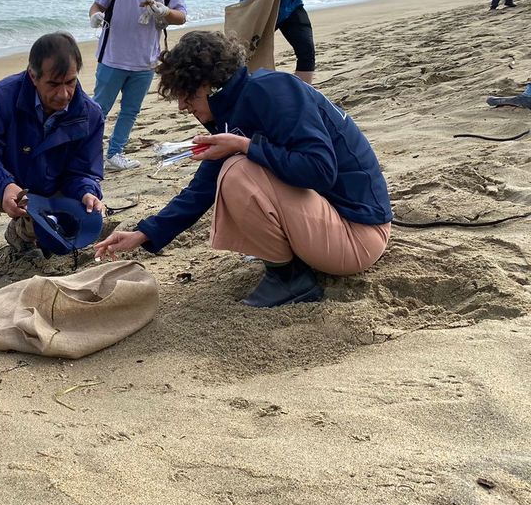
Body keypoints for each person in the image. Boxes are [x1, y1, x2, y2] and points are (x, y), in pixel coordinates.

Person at [95, 31, 392, 308]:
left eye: (187, 95)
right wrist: (145, 233)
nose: (182, 107)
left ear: (209, 86)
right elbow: (203, 188)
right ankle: (291, 267)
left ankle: (290, 279)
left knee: (238, 172)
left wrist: (245, 146)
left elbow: (320, 169)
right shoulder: (237, 107)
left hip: (358, 235)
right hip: (338, 225)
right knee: (232, 169)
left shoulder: (272, 90)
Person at [0, 32, 105, 304]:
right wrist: (4, 185)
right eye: (53, 84)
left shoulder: (89, 114)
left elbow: (82, 171)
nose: (64, 94)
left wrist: (87, 191)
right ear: (33, 76)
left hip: (44, 187)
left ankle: (22, 235)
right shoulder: (1, 96)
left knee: (83, 207)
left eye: (70, 82)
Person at [89, 0, 187, 171]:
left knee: (130, 111)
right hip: (112, 57)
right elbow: (98, 5)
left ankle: (115, 154)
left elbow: (181, 15)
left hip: (145, 60)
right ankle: (86, 155)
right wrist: (95, 17)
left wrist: (164, 10)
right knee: (98, 110)